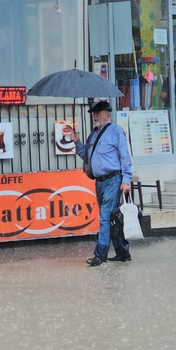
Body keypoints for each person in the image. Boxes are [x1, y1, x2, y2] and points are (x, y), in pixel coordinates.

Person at [70, 101, 133, 266]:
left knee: (105, 217)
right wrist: (77, 142)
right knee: (112, 218)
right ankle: (122, 252)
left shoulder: (116, 131)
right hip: (100, 182)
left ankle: (101, 254)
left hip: (113, 179)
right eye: (93, 112)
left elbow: (125, 156)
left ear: (108, 114)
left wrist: (126, 179)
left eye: (98, 112)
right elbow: (86, 157)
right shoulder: (93, 135)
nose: (95, 115)